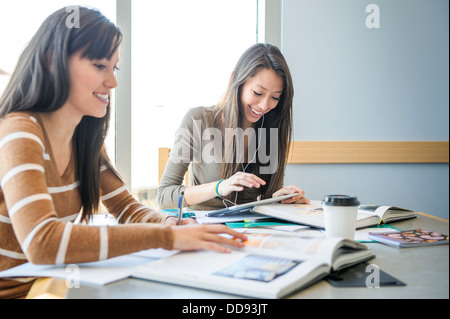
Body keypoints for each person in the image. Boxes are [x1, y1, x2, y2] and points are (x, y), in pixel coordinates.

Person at [0, 6, 246, 299]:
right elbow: (42, 242)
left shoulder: (83, 139)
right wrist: (166, 237)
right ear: (53, 61)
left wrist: (169, 223)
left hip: (49, 288)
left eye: (114, 68)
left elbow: (127, 209)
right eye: (99, 66)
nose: (113, 82)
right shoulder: (19, 131)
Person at [157, 43, 310, 211]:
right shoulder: (198, 120)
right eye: (257, 93)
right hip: (204, 228)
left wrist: (279, 199)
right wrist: (219, 187)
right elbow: (164, 196)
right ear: (235, 80)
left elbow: (265, 200)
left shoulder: (270, 128)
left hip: (249, 230)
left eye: (275, 97)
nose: (265, 105)